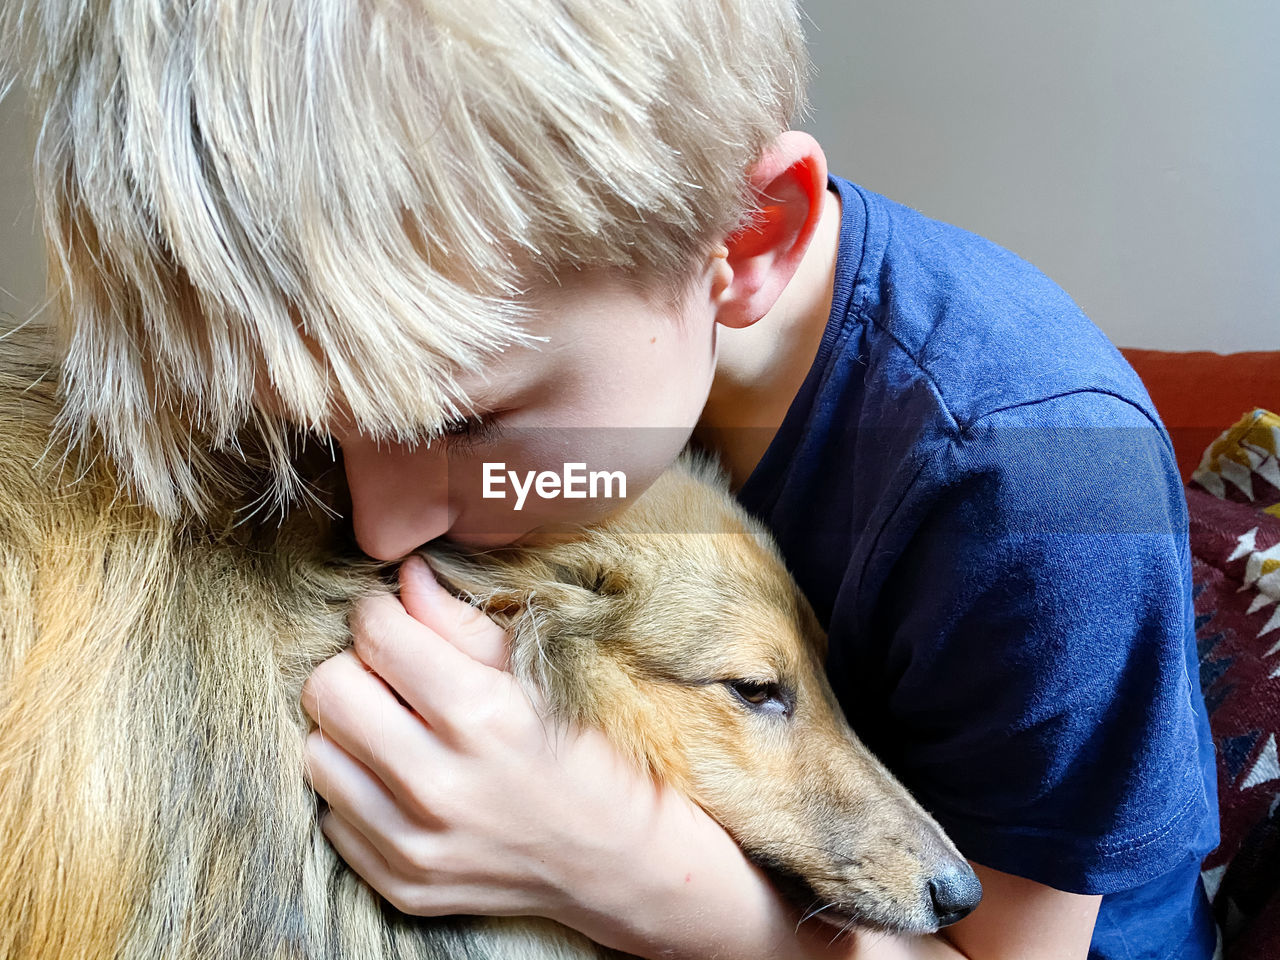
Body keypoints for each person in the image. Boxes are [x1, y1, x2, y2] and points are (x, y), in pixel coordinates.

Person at [3, 0, 1217, 957]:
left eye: (466, 421)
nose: (379, 523)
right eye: (326, 434)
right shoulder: (589, 370)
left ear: (744, 245)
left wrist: (618, 868)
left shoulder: (1050, 473)